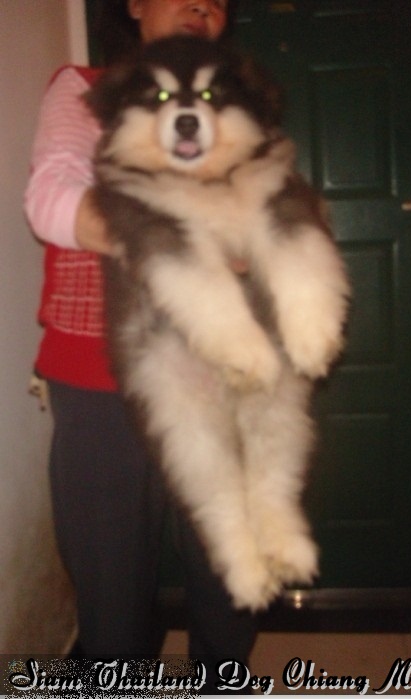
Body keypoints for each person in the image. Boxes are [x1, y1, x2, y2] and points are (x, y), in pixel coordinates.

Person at [24, 0, 257, 692]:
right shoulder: (82, 88)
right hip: (103, 376)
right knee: (112, 595)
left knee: (229, 570)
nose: (202, 5)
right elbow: (52, 199)